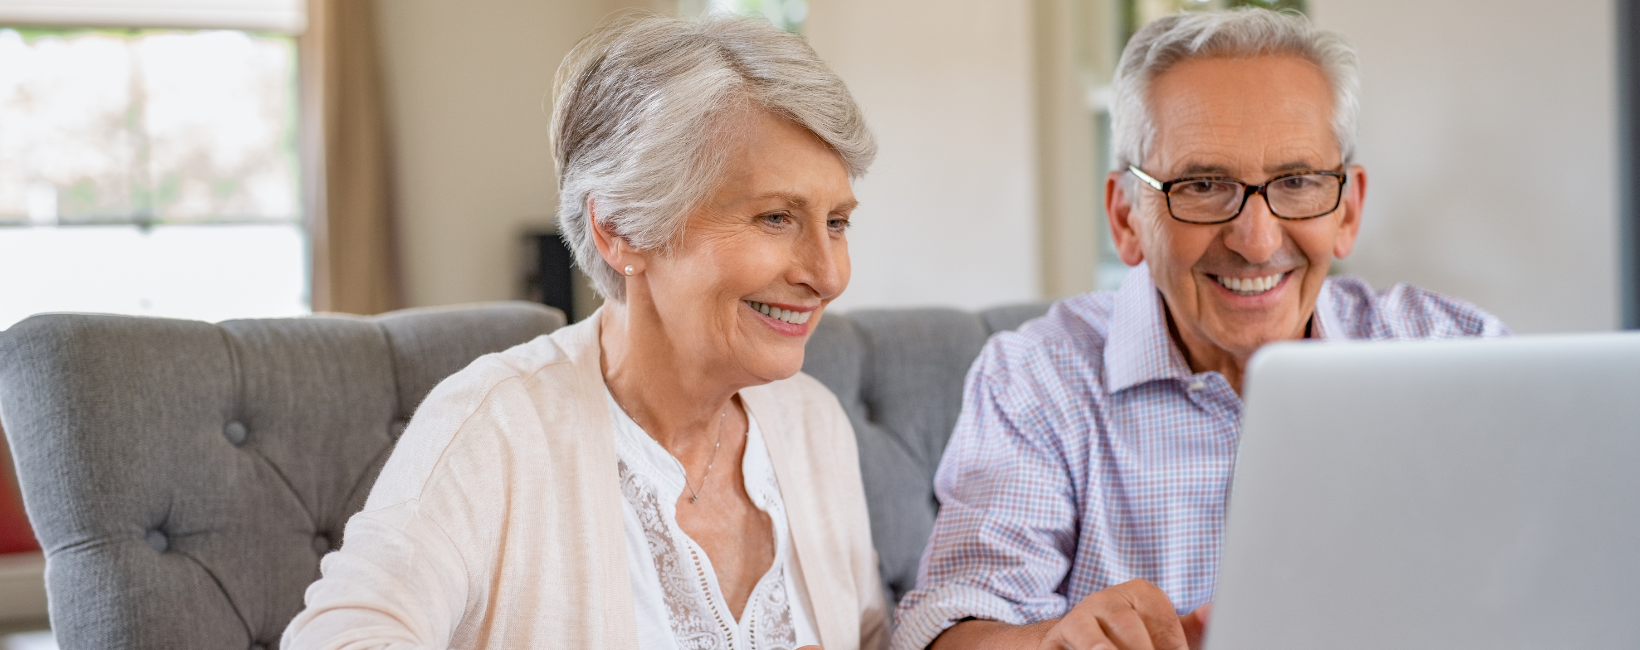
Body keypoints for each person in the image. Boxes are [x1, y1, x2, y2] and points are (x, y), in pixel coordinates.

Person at [891, 8, 1508, 650]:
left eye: (1296, 182)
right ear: (1127, 217)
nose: (1257, 240)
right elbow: (953, 624)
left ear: (1347, 209)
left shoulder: (1455, 351)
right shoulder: (1036, 378)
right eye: (1203, 185)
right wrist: (1055, 644)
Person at [283, 14, 887, 650]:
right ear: (621, 228)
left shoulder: (813, 425)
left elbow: (869, 635)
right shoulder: (496, 427)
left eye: (838, 223)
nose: (827, 274)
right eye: (774, 217)